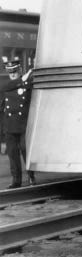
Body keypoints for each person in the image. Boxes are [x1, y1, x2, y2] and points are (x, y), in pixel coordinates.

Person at [0, 57, 35, 188]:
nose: (12, 74)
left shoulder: (28, 85)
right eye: (10, 72)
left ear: (20, 70)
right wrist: (22, 80)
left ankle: (31, 176)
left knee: (26, 151)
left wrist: (24, 81)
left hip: (23, 126)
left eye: (15, 71)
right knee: (12, 155)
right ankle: (16, 181)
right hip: (9, 127)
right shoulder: (7, 86)